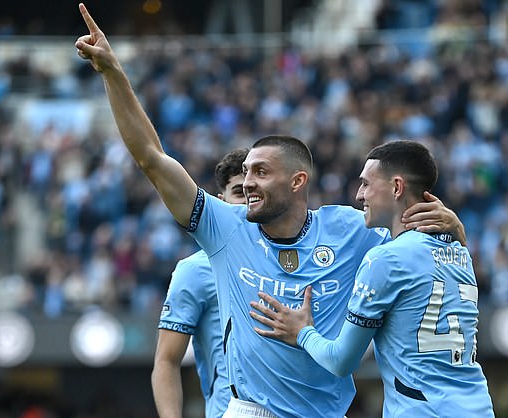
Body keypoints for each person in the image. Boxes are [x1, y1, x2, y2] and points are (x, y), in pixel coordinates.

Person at [75, 5, 466, 417]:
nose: (247, 183)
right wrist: (114, 74)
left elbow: (429, 249)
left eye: (260, 172)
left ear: (298, 181)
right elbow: (152, 158)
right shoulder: (223, 228)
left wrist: (455, 228)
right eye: (245, 173)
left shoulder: (354, 229)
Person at [249, 140, 494, 417]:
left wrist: (302, 332)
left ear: (397, 187)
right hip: (479, 407)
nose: (358, 195)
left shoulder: (385, 259)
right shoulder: (461, 251)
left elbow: (340, 361)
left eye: (366, 184)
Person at [152, 148, 248, 418]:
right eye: (239, 192)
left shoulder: (290, 258)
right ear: (221, 200)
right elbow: (167, 360)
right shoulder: (195, 270)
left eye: (254, 192)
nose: (248, 201)